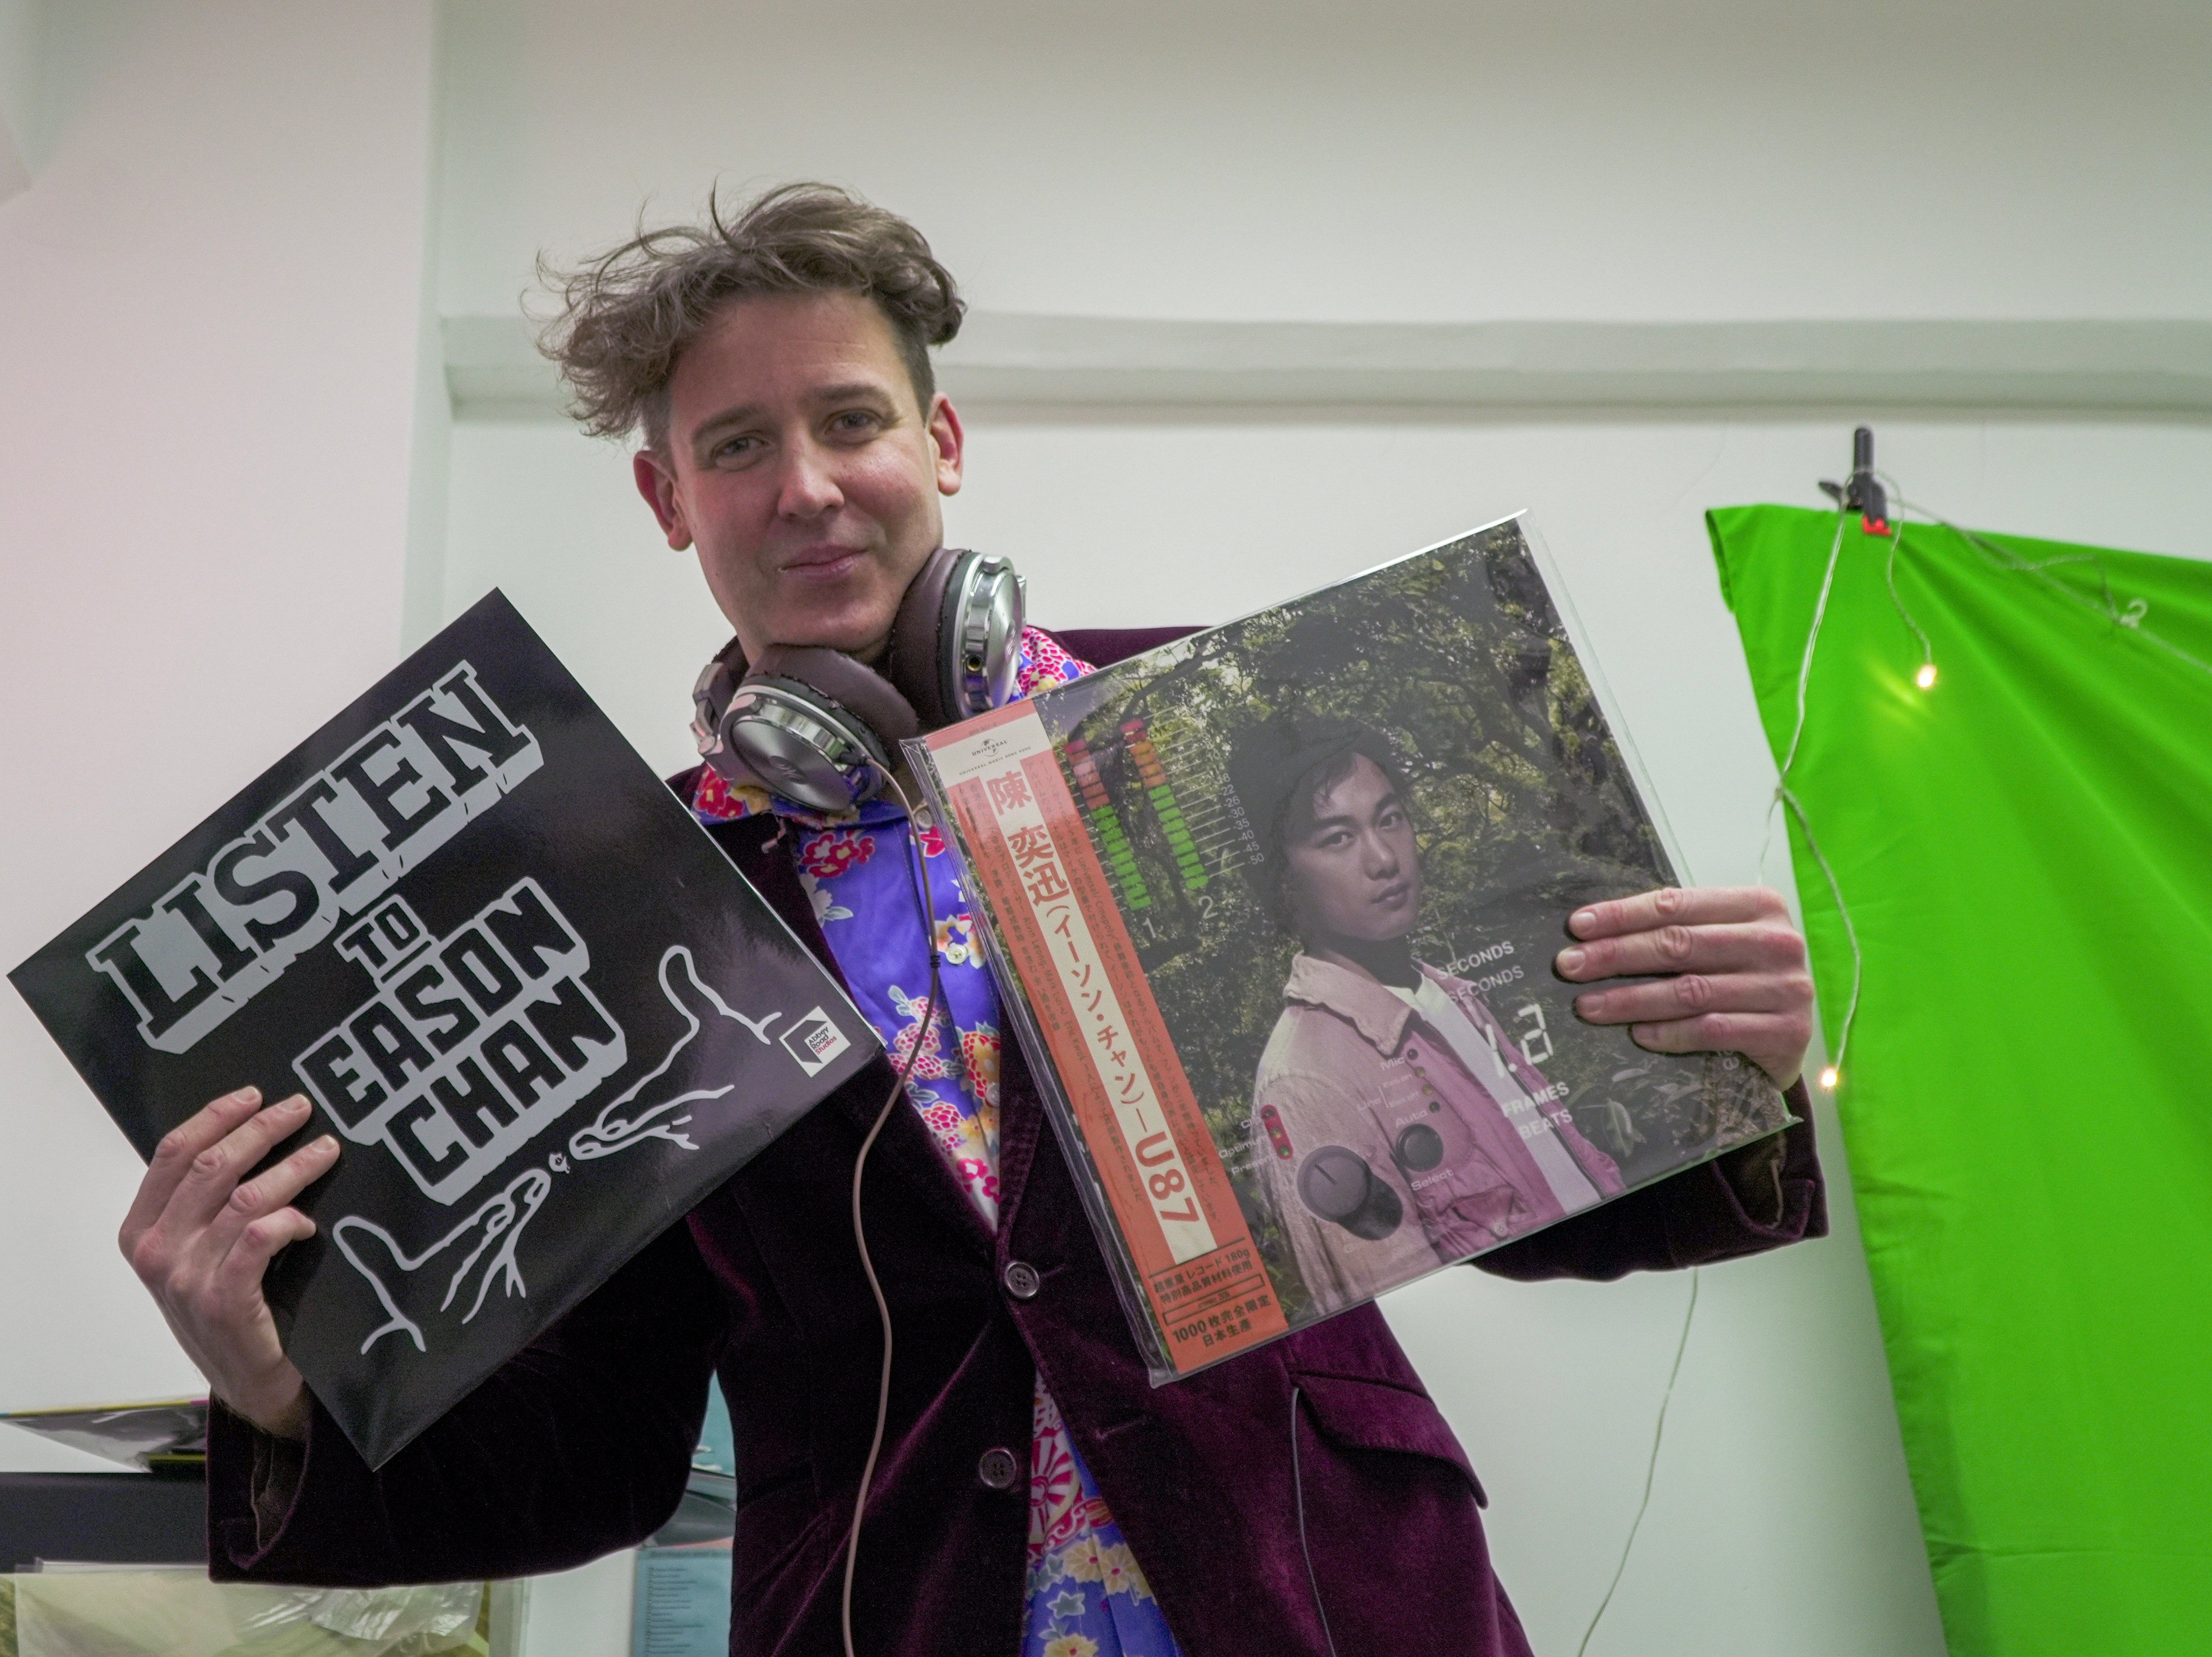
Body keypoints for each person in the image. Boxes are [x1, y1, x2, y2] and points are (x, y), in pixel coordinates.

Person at [118, 185, 1825, 1657]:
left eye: (848, 420)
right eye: (734, 445)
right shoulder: (618, 907)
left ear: (936, 441)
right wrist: (279, 1387)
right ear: (668, 503)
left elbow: (1499, 1166)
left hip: (1315, 1592)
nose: (803, 485)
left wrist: (1725, 1070)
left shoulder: (1226, 738)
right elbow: (606, 1446)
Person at [1231, 720, 1632, 1317]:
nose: (1384, 860)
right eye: (1338, 839)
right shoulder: (1306, 1080)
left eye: (1389, 819)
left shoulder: (1449, 993)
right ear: (1283, 882)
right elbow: (1413, 1323)